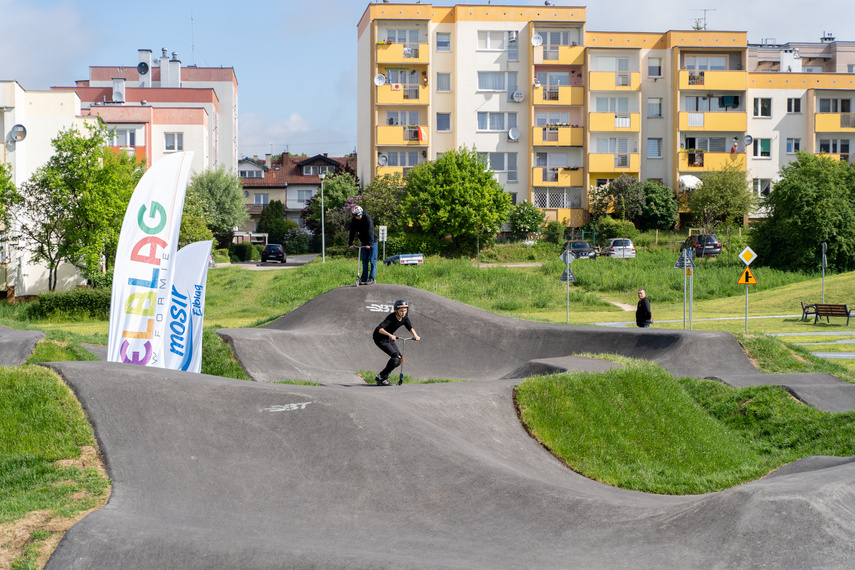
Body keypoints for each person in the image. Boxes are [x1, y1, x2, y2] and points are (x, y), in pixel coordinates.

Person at [373, 299, 421, 386]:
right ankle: (382, 378)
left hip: (389, 338)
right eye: (401, 311)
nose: (403, 313)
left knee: (399, 359)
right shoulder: (391, 317)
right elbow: (379, 329)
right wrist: (390, 335)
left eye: (405, 311)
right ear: (396, 310)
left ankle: (381, 376)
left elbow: (410, 327)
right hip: (380, 338)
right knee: (395, 357)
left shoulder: (405, 318)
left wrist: (416, 335)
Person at [348, 206, 378, 284]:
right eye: (355, 216)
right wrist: (350, 243)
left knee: (372, 260)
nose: (357, 217)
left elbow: (370, 231)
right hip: (364, 241)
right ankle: (364, 278)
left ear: (361, 213)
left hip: (372, 242)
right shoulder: (354, 220)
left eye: (358, 215)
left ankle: (372, 278)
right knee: (364, 260)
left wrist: (369, 243)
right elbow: (352, 231)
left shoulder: (367, 218)